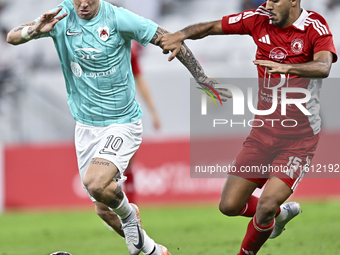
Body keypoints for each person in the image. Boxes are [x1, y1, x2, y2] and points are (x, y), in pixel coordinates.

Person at [6, 1, 229, 255]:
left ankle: (129, 216)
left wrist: (201, 77)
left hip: (121, 122)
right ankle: (156, 251)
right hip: (85, 127)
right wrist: (34, 30)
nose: (84, 3)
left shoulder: (119, 19)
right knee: (103, 210)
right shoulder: (60, 15)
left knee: (95, 183)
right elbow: (12, 37)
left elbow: (168, 38)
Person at [156, 0, 337, 254]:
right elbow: (211, 26)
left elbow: (324, 66)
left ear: (294, 1)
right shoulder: (258, 18)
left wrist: (288, 67)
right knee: (229, 205)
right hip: (262, 133)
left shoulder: (314, 26)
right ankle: (279, 214)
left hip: (299, 138)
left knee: (264, 206)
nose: (268, 4)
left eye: (275, 0)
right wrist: (179, 35)